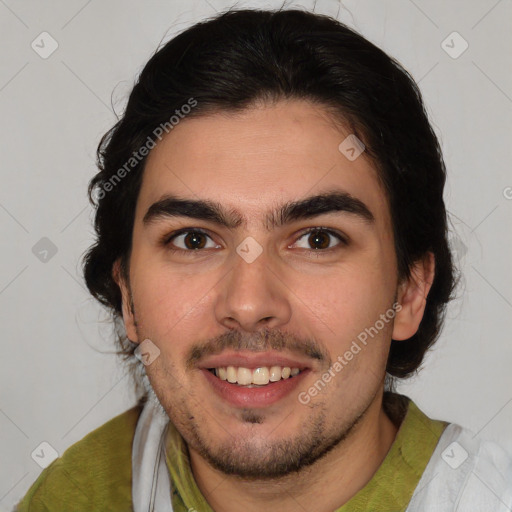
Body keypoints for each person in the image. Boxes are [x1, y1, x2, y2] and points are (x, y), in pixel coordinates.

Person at [16, 7, 512, 512]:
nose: (249, 304)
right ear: (128, 297)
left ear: (409, 291)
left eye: (318, 240)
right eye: (193, 240)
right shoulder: (70, 498)